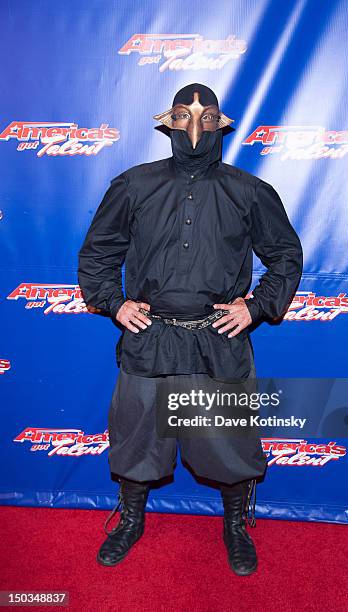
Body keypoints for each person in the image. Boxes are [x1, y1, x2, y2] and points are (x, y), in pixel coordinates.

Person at [77, 83, 303, 576]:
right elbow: (98, 254)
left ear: (222, 125)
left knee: (230, 446)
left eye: (205, 117)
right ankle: (131, 519)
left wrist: (257, 306)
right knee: (136, 437)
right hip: (150, 337)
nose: (195, 126)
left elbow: (285, 256)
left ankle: (237, 526)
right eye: (183, 116)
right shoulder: (134, 186)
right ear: (169, 124)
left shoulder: (249, 191)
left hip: (216, 340)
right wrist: (114, 304)